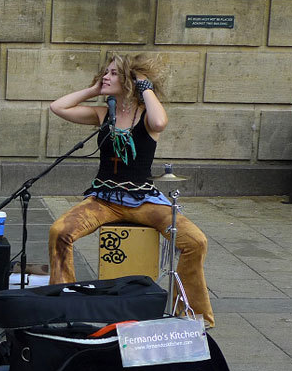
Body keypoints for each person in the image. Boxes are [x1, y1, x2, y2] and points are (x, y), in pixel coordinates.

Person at [47, 54, 215, 328]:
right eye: (105, 73)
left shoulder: (147, 115)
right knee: (60, 231)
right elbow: (58, 107)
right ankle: (64, 305)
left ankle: (192, 314)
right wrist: (94, 90)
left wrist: (144, 87)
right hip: (104, 199)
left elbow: (160, 123)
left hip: (143, 200)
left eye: (113, 73)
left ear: (128, 80)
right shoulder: (104, 113)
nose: (106, 77)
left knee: (195, 241)